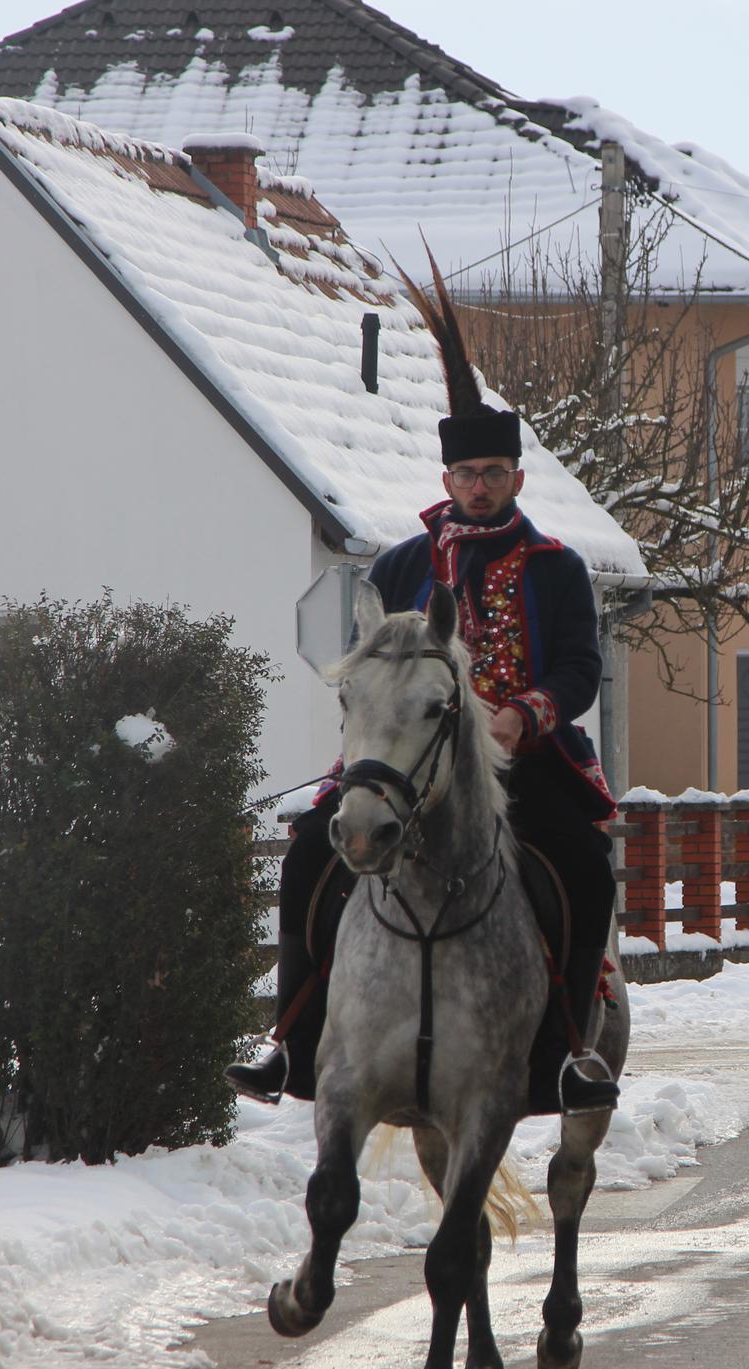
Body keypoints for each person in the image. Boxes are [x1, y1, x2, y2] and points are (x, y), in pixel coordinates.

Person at [227, 267, 620, 1115]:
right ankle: (290, 1042)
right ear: (445, 480)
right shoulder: (400, 565)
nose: (478, 485)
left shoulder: (557, 568)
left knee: (586, 867)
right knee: (310, 854)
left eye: (493, 472)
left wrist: (521, 714)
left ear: (517, 479)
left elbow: (580, 669)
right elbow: (366, 666)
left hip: (521, 762)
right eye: (465, 473)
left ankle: (569, 1050)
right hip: (406, 761)